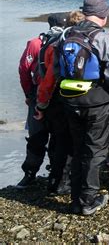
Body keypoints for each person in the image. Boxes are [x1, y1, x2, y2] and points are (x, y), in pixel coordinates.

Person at [57, 0, 109, 215]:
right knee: (95, 151)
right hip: (96, 104)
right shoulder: (104, 39)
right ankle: (88, 200)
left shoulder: (66, 35)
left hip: (69, 101)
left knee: (78, 149)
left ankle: (76, 199)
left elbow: (56, 70)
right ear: (103, 15)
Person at [35, 10, 85, 195]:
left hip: (56, 101)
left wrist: (41, 104)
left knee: (59, 141)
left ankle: (55, 180)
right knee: (71, 143)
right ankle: (64, 182)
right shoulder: (77, 44)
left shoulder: (52, 43)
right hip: (75, 101)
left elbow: (47, 79)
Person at [16, 12, 68, 189]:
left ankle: (30, 175)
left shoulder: (35, 43)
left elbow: (24, 70)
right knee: (58, 137)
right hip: (59, 97)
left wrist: (29, 94)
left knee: (37, 137)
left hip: (39, 95)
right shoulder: (68, 42)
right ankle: (56, 175)